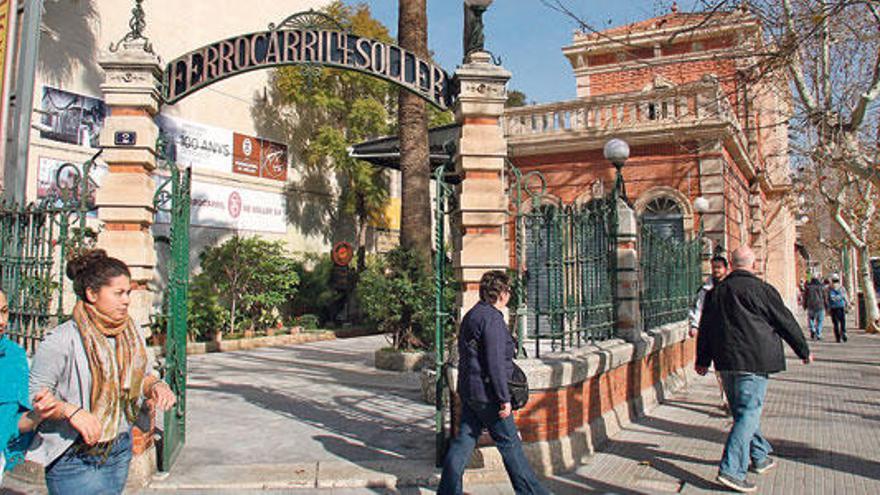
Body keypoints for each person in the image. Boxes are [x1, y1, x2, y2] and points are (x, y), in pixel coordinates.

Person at [25, 250, 176, 494]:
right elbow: (35, 395)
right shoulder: (63, 339)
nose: (126, 300)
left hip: (118, 449)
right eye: (118, 293)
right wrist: (70, 411)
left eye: (128, 292)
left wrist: (157, 386)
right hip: (74, 455)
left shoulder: (132, 332)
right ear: (92, 294)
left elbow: (144, 376)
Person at [696, 246, 812, 493]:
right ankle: (731, 470)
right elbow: (784, 321)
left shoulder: (716, 292)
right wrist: (802, 349)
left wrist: (703, 360)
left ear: (731, 263)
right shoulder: (762, 290)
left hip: (726, 361)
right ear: (753, 263)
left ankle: (760, 456)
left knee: (742, 412)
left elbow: (706, 327)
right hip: (754, 360)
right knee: (749, 413)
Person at [438, 271, 549, 495]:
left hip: (470, 391)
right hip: (489, 395)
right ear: (500, 293)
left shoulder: (472, 315)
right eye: (507, 291)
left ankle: (448, 492)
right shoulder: (492, 319)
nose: (509, 295)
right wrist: (503, 399)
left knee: (464, 442)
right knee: (511, 447)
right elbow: (495, 363)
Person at [688, 255, 730, 412]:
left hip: (729, 333)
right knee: (720, 370)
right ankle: (726, 398)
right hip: (713, 333)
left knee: (728, 369)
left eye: (719, 267)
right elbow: (698, 308)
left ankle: (730, 398)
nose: (716, 270)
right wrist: (694, 326)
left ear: (726, 268)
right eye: (714, 267)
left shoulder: (731, 286)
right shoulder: (705, 289)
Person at [827, 276, 849, 343]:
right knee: (842, 322)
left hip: (833, 307)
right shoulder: (842, 288)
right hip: (841, 306)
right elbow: (845, 296)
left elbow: (828, 299)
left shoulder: (829, 289)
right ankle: (843, 332)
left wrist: (828, 308)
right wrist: (847, 304)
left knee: (835, 323)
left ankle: (837, 337)